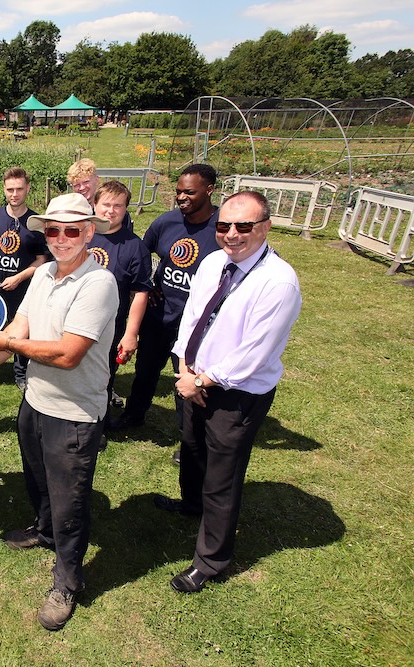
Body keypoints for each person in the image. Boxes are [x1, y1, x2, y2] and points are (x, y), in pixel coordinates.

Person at [0, 193, 118, 631]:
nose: (62, 238)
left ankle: (68, 580)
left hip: (74, 413)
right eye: (53, 230)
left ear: (90, 232)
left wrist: (9, 345)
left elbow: (68, 354)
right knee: (39, 482)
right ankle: (44, 531)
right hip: (34, 402)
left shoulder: (98, 282)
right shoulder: (45, 273)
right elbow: (19, 328)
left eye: (73, 230)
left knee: (70, 502)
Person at [156, 191, 301, 593]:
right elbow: (193, 316)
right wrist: (186, 366)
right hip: (193, 377)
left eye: (244, 226)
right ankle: (190, 505)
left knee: (222, 477)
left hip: (235, 395)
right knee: (192, 449)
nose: (232, 234)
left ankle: (211, 560)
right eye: (224, 226)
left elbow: (254, 354)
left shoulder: (278, 283)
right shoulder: (213, 262)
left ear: (266, 227)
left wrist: (202, 381)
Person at [109, 164, 221, 433]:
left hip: (196, 323)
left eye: (190, 193)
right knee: (146, 371)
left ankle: (189, 439)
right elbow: (140, 254)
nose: (182, 197)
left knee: (187, 378)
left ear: (209, 190)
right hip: (159, 315)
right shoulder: (166, 222)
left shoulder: (222, 228)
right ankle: (133, 416)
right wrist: (149, 285)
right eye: (179, 192)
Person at [0, 166, 47, 389]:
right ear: (4, 189)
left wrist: (19, 277)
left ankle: (21, 374)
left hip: (24, 289)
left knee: (22, 332)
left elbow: (42, 260)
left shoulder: (36, 223)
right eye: (10, 189)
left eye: (19, 189)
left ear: (28, 189)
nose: (15, 194)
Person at [89, 181, 153, 431]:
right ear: (94, 204)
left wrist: (130, 333)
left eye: (118, 206)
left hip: (109, 327)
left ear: (126, 209)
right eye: (105, 204)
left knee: (102, 379)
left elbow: (140, 293)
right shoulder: (78, 234)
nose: (110, 211)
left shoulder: (134, 246)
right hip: (70, 320)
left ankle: (97, 428)